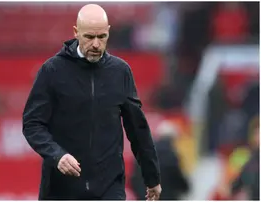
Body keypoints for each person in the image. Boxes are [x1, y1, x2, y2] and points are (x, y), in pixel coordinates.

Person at [22, 4, 161, 200]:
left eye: (101, 37)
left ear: (108, 33)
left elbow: (137, 128)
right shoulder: (52, 71)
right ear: (76, 33)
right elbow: (32, 124)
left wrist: (152, 177)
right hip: (61, 188)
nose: (96, 44)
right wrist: (57, 155)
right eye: (89, 37)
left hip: (109, 187)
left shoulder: (120, 72)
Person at [130, 121, 189, 200]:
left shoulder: (143, 152)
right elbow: (178, 180)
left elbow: (134, 179)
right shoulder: (171, 155)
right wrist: (186, 187)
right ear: (172, 139)